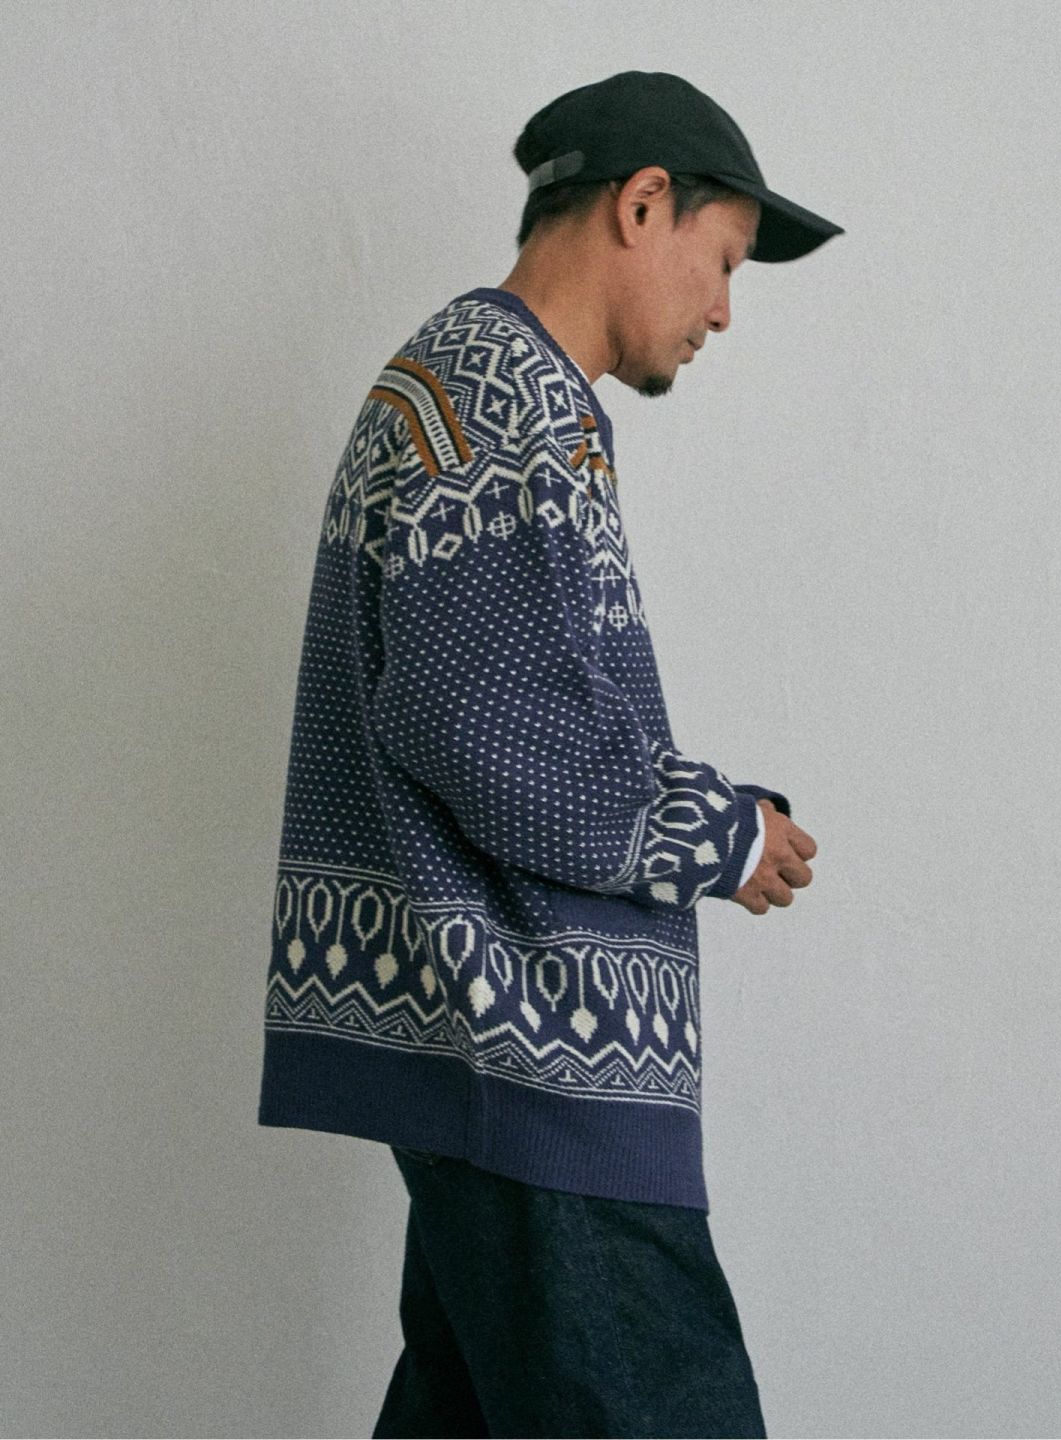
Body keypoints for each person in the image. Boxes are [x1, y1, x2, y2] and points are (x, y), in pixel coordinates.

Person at [257, 69, 841, 1439]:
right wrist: (723, 834)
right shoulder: (500, 397)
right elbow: (490, 728)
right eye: (722, 260)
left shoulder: (480, 387)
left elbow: (500, 705)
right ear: (643, 204)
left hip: (497, 1045)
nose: (723, 310)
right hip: (539, 1043)